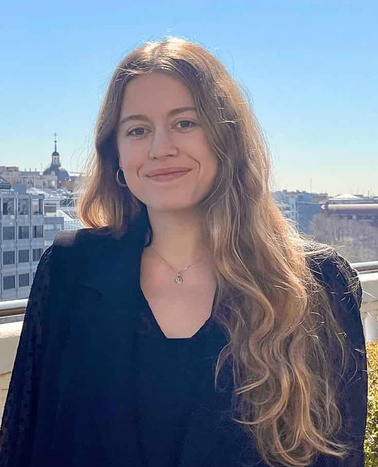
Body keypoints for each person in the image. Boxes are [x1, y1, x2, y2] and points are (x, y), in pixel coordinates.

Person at [0, 37, 367, 467]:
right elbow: (22, 442)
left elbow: (340, 454)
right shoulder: (68, 271)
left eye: (185, 123)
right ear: (114, 153)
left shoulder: (318, 284)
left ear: (226, 137)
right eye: (137, 130)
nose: (160, 148)